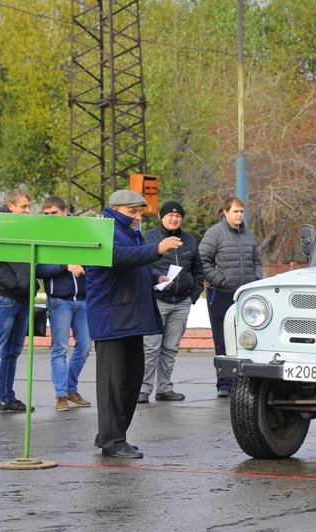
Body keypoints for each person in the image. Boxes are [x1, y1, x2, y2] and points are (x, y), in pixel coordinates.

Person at [86, 189, 183, 459]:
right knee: (113, 384)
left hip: (129, 317)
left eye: (140, 212)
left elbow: (133, 265)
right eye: (133, 212)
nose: (138, 217)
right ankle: (112, 442)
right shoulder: (102, 229)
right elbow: (117, 258)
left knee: (130, 381)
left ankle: (110, 435)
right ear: (116, 209)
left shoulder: (129, 231)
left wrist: (154, 279)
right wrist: (156, 249)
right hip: (111, 318)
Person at [0, 189, 37, 417]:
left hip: (22, 299)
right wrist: (16, 283)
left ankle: (7, 398)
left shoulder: (22, 227)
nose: (28, 211)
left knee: (12, 353)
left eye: (29, 207)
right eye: (24, 207)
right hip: (3, 298)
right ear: (10, 206)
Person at [139, 200, 205, 404]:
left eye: (178, 216)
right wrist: (157, 280)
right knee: (150, 348)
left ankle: (165, 388)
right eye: (170, 215)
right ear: (162, 217)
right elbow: (142, 267)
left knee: (170, 348)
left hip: (181, 303)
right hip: (156, 301)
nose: (174, 219)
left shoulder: (190, 240)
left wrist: (192, 296)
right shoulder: (148, 238)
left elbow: (198, 270)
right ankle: (142, 390)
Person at [199, 196, 263, 398]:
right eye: (235, 211)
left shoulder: (248, 235)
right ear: (225, 212)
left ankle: (245, 383)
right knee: (223, 340)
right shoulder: (214, 234)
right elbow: (201, 261)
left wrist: (256, 280)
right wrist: (220, 280)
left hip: (245, 297)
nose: (239, 215)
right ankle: (224, 384)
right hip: (222, 294)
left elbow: (257, 261)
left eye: (242, 211)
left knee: (247, 339)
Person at [36, 195, 93, 412]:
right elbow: (39, 269)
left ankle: (70, 388)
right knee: (59, 348)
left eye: (54, 213)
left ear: (65, 211)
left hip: (84, 300)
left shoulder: (80, 230)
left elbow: (94, 258)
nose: (50, 217)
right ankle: (60, 394)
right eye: (46, 214)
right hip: (59, 301)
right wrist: (64, 266)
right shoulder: (43, 235)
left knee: (85, 346)